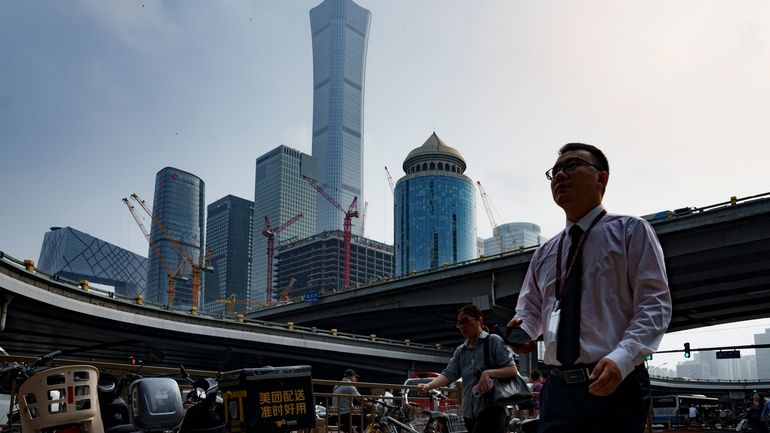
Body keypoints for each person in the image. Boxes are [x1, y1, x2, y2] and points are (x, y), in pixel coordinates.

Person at [507, 143, 672, 433]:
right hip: (557, 388)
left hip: (614, 381)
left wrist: (621, 359)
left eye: (571, 166)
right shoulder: (545, 252)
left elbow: (655, 305)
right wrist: (523, 329)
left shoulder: (630, 231)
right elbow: (531, 308)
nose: (560, 175)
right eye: (555, 171)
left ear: (602, 178)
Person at [417, 304, 519, 433]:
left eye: (465, 321)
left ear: (479, 320)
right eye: (459, 323)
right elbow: (449, 374)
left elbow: (512, 369)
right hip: (469, 413)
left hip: (493, 408)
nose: (462, 326)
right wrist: (428, 386)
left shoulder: (493, 341)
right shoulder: (461, 351)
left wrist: (488, 373)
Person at [330, 369, 365, 433]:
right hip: (345, 414)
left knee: (354, 411)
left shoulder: (337, 385)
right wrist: (371, 402)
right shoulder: (350, 385)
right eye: (355, 377)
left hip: (335, 414)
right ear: (352, 377)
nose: (356, 379)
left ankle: (346, 428)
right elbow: (361, 399)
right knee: (364, 416)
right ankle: (358, 430)